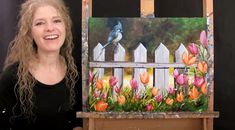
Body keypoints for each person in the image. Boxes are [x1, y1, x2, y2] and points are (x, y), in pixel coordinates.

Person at [0, 0, 83, 129]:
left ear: (65, 26)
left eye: (56, 21)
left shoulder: (79, 74)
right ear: (29, 32)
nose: (50, 28)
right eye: (40, 23)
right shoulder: (11, 78)